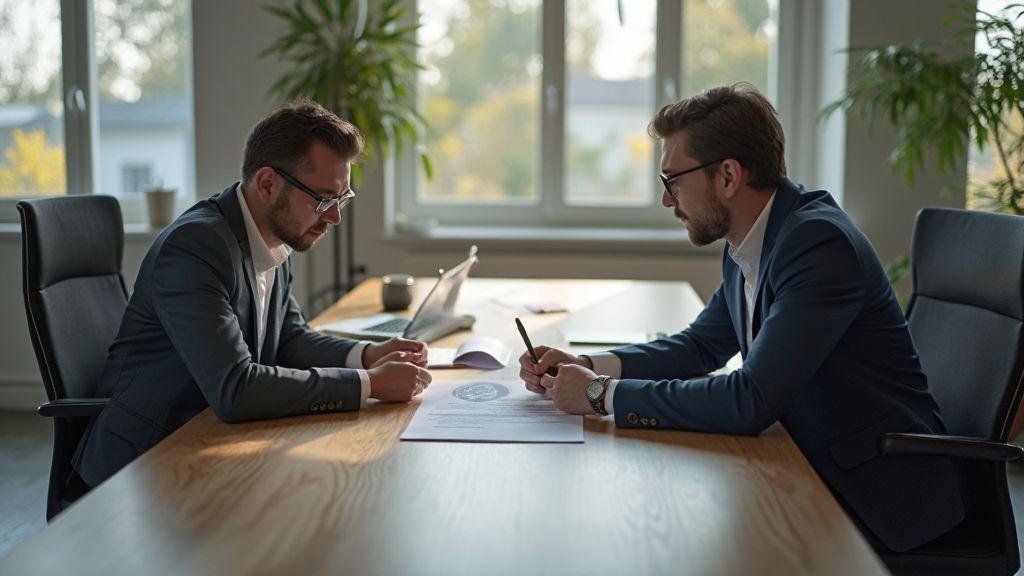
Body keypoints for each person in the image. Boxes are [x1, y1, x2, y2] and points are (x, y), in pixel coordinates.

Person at [519, 83, 965, 553]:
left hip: (877, 496)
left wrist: (599, 395)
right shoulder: (753, 238)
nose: (667, 201)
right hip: (804, 465)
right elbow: (701, 346)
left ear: (728, 176)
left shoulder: (818, 245)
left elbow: (751, 400)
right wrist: (589, 365)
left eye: (672, 181)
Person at [74, 101, 431, 487]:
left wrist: (367, 354)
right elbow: (235, 388)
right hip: (143, 467)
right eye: (323, 199)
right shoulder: (195, 246)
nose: (334, 217)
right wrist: (370, 383)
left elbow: (290, 340)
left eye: (341, 199)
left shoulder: (275, 236)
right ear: (267, 184)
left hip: (214, 443)